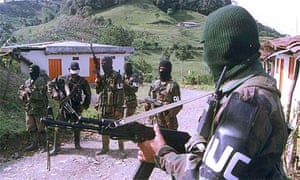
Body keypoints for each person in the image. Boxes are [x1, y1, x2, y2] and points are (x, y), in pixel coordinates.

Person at [137, 5, 289, 179]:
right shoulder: (246, 88)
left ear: (222, 48)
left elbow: (208, 177)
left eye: (206, 46)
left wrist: (162, 155)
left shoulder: (248, 100)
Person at [47, 61, 91, 154]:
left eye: (75, 73)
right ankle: (56, 147)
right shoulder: (62, 79)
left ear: (78, 71)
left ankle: (77, 144)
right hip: (64, 107)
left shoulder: (82, 81)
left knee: (77, 126)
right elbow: (50, 84)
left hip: (76, 107)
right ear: (69, 70)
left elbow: (88, 94)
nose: (74, 75)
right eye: (72, 72)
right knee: (58, 127)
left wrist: (84, 106)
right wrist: (54, 92)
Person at [95, 56, 126, 158]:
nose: (103, 65)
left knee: (118, 128)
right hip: (103, 108)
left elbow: (120, 92)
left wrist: (118, 108)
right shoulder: (103, 77)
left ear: (110, 64)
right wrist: (98, 81)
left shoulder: (117, 76)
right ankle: (105, 148)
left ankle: (121, 149)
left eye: (105, 63)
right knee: (104, 128)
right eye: (102, 63)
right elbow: (98, 91)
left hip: (114, 108)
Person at [18, 64, 48, 152]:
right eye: (30, 71)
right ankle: (34, 144)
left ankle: (43, 145)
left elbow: (41, 96)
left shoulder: (41, 81)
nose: (31, 73)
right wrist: (22, 93)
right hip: (29, 108)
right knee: (31, 127)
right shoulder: (28, 81)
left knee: (41, 128)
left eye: (33, 72)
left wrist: (30, 93)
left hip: (39, 108)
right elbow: (20, 90)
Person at [144, 60, 182, 130]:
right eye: (160, 69)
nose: (161, 72)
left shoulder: (173, 86)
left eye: (163, 70)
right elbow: (149, 98)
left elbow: (178, 105)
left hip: (168, 124)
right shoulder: (155, 84)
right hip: (154, 122)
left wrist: (168, 111)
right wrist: (147, 105)